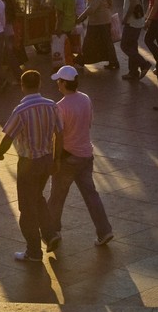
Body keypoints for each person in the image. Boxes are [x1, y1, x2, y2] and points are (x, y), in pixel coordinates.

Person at [0, 70, 63, 263]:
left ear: (23, 86)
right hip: (47, 160)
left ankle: (33, 251)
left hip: (28, 164)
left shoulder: (21, 110)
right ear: (39, 84)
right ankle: (50, 234)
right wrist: (57, 159)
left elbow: (8, 137)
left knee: (26, 208)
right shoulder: (52, 106)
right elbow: (60, 134)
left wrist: (0, 152)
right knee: (37, 197)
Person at [46, 66, 114, 247]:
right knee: (91, 195)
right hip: (86, 155)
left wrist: (56, 159)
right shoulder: (85, 99)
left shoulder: (60, 107)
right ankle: (104, 230)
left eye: (58, 81)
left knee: (57, 196)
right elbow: (89, 123)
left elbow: (58, 135)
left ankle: (52, 232)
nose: (57, 84)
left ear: (63, 83)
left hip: (68, 157)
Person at [75, 0, 118, 72]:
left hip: (98, 22)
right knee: (107, 42)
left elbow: (91, 9)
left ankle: (81, 60)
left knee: (88, 42)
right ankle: (113, 61)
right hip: (104, 20)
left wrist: (80, 18)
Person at [119, 0, 152, 80]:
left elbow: (133, 4)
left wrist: (125, 18)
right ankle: (133, 72)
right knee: (132, 46)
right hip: (137, 21)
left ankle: (144, 64)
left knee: (124, 46)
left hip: (132, 22)